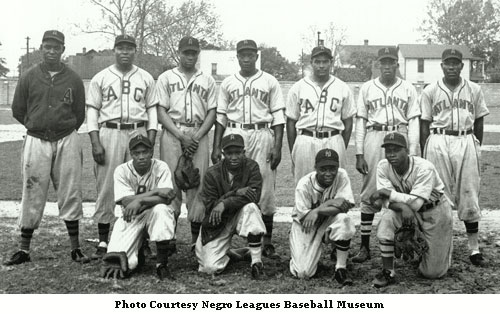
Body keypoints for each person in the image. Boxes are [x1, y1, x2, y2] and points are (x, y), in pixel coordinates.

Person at [5, 30, 89, 265]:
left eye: (56, 47)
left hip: (66, 138)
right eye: (48, 47)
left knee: (70, 190)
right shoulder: (29, 76)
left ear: (63, 49)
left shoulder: (73, 78)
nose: (52, 51)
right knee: (32, 190)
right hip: (37, 139)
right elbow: (18, 110)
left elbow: (79, 113)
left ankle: (75, 248)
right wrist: (36, 126)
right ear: (41, 48)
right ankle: (24, 249)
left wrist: (63, 128)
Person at [86, 34, 158, 259]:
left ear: (135, 51)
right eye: (121, 48)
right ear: (114, 50)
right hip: (110, 131)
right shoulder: (101, 77)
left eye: (129, 48)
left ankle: (141, 237)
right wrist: (95, 141)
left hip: (138, 131)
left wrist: (151, 138)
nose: (125, 52)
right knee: (107, 184)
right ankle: (103, 238)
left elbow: (152, 111)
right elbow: (92, 111)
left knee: (141, 185)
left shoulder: (145, 77)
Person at [211, 39, 284, 259]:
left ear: (256, 56)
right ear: (238, 56)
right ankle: (228, 237)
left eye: (250, 54)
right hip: (235, 134)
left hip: (262, 134)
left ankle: (267, 241)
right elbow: (221, 117)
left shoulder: (269, 81)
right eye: (242, 55)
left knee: (264, 185)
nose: (246, 58)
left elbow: (279, 116)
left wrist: (278, 146)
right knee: (232, 184)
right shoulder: (227, 82)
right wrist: (216, 146)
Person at [420, 48, 489, 266]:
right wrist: (425, 151)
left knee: (469, 191)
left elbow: (479, 120)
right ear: (442, 66)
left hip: (465, 139)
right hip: (438, 139)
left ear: (462, 66)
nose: (452, 67)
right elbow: (424, 123)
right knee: (438, 194)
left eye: (455, 63)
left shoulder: (474, 89)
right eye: (448, 63)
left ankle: (474, 248)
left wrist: (476, 144)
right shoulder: (430, 90)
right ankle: (442, 245)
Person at [352, 47, 421, 263]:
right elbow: (361, 121)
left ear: (397, 65)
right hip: (375, 134)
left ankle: (409, 238)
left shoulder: (408, 87)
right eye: (384, 62)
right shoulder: (367, 88)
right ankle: (364, 246)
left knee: (406, 187)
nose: (388, 66)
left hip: (400, 134)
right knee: (370, 190)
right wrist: (359, 152)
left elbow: (414, 121)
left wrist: (413, 148)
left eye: (391, 62)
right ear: (378, 65)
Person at [370, 132, 453, 287]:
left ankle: (440, 248)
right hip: (404, 211)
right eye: (388, 150)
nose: (391, 154)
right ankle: (388, 271)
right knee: (386, 222)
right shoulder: (383, 166)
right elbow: (385, 200)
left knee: (432, 273)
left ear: (407, 151)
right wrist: (401, 206)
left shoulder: (424, 167)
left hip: (434, 211)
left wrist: (389, 194)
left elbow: (415, 204)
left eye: (396, 150)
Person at [156, 36, 216, 249]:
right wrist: (181, 137)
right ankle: (168, 237)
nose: (189, 56)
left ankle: (195, 240)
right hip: (173, 132)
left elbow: (212, 112)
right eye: (186, 52)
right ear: (179, 53)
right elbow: (161, 111)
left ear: (197, 54)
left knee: (197, 185)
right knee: (171, 183)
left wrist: (196, 137)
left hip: (198, 131)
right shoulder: (165, 78)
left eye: (193, 53)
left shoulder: (207, 79)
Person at [100, 135, 177, 280]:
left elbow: (167, 198)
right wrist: (155, 192)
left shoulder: (161, 167)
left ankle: (162, 264)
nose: (141, 156)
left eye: (145, 152)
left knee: (162, 210)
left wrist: (140, 202)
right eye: (137, 153)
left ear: (151, 152)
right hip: (130, 218)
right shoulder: (121, 170)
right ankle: (139, 252)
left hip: (153, 214)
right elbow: (126, 201)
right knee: (123, 262)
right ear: (131, 154)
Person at [197, 134, 266, 279]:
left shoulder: (252, 166)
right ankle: (232, 253)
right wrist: (236, 193)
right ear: (223, 154)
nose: (234, 157)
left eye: (237, 153)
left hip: (241, 215)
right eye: (229, 153)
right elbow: (210, 207)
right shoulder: (212, 173)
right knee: (210, 268)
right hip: (218, 222)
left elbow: (254, 196)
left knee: (252, 207)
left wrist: (224, 202)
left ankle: (256, 262)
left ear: (244, 152)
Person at [286, 46, 355, 186]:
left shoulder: (342, 87)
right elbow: (291, 122)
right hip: (306, 139)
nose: (321, 65)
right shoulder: (298, 87)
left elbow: (348, 122)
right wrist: (295, 149)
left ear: (331, 62)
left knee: (334, 186)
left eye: (325, 61)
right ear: (311, 62)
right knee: (304, 185)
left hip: (334, 138)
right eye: (317, 61)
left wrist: (340, 144)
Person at [289, 148, 356, 285]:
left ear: (338, 167)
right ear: (315, 168)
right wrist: (331, 204)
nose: (328, 173)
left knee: (345, 220)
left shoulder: (342, 175)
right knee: (303, 272)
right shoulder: (304, 184)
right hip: (305, 225)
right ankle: (298, 247)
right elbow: (305, 216)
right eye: (323, 169)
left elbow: (345, 205)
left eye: (332, 168)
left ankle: (340, 268)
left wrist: (318, 210)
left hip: (328, 221)